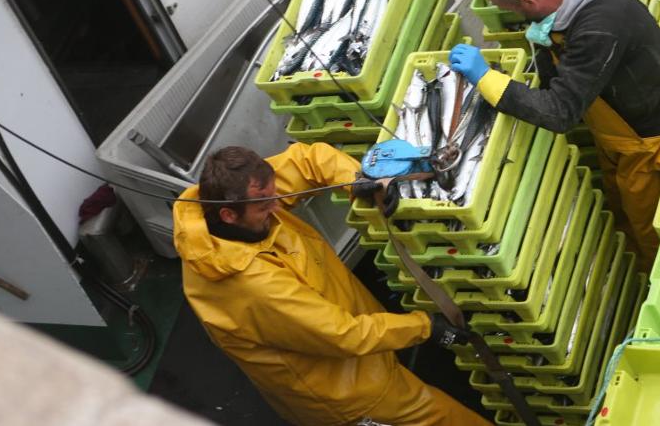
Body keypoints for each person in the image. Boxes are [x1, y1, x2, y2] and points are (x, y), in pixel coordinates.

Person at [173, 143, 487, 426]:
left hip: (357, 340)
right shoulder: (252, 286)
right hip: (345, 389)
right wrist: (426, 327)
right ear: (229, 215)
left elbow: (306, 161)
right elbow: (343, 335)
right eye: (264, 206)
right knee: (445, 419)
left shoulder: (237, 202)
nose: (278, 207)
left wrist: (355, 180)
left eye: (274, 195)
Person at [450, 0, 660, 270]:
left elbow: (559, 112)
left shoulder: (599, 26)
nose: (520, 20)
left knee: (653, 228)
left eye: (515, 11)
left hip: (651, 144)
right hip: (618, 131)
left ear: (528, 3)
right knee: (623, 208)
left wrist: (487, 79)